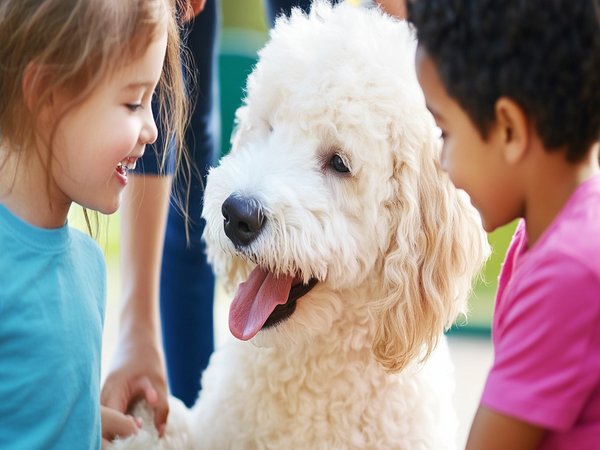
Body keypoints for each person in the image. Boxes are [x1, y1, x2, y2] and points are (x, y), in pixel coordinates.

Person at [408, 0, 600, 449]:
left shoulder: (567, 272)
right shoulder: (545, 237)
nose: (442, 160)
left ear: (509, 129)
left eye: (446, 133)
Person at [0, 0, 187, 448]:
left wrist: (85, 422)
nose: (152, 129)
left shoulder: (89, 265)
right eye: (132, 102)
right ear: (48, 94)